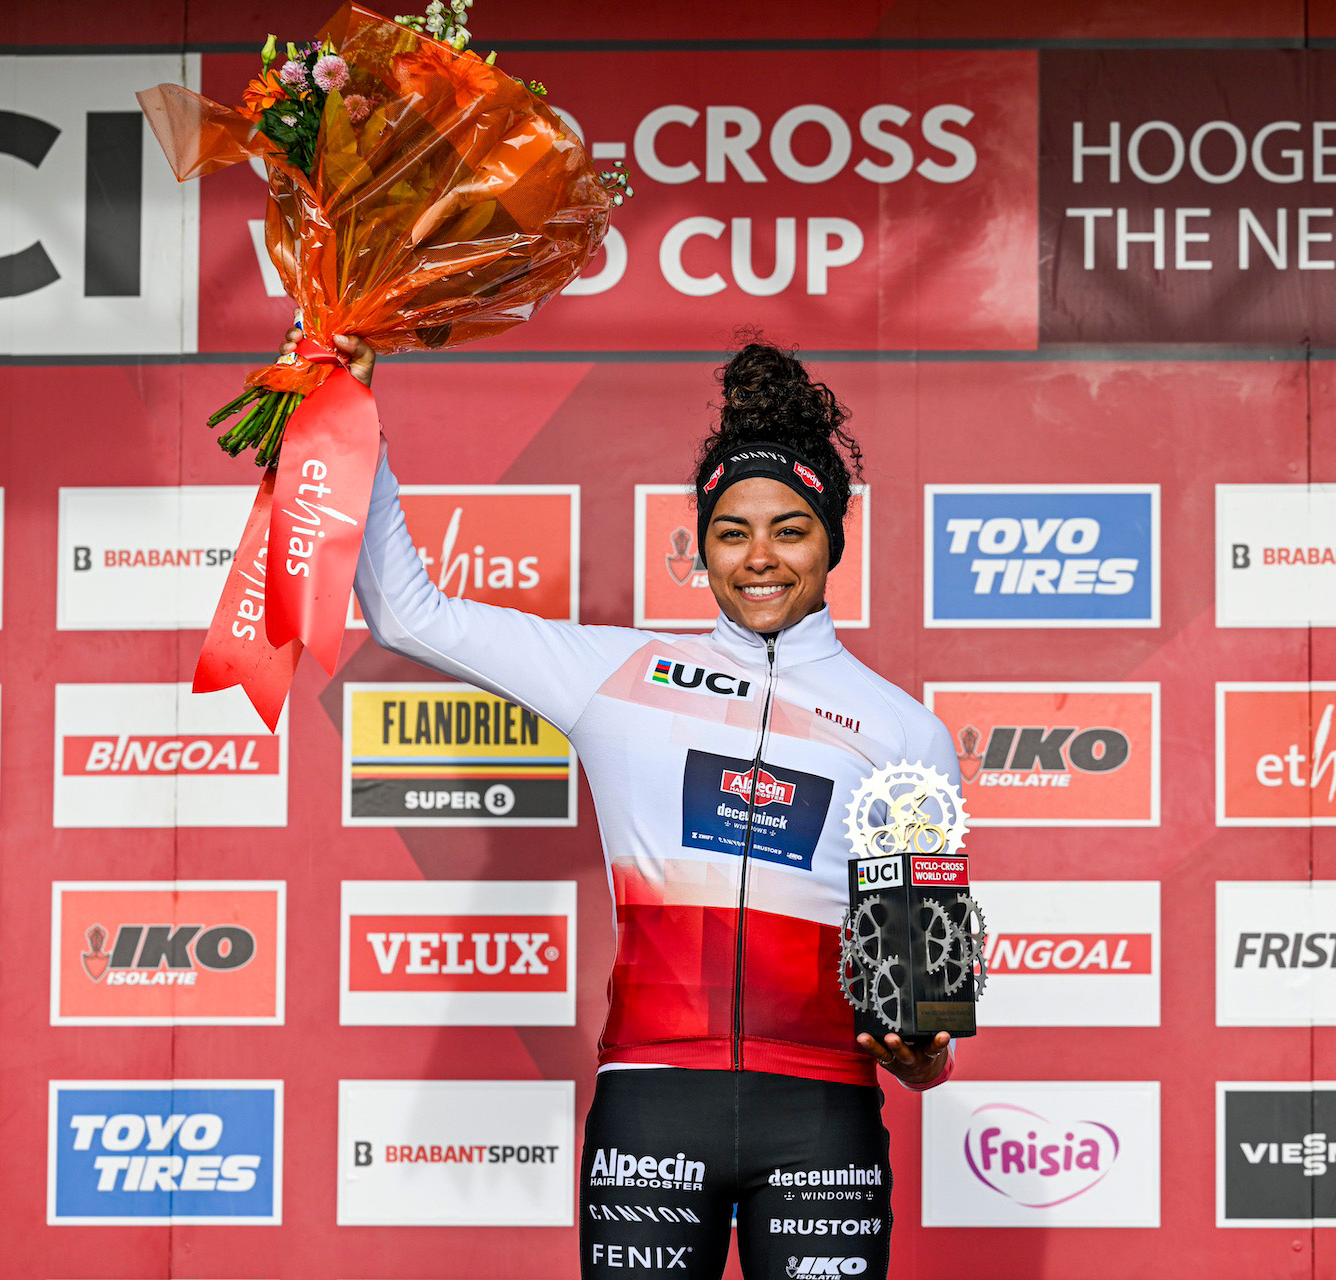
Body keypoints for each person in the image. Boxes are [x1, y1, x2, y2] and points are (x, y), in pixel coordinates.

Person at [302, 326, 960, 1279]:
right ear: (700, 548)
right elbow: (410, 613)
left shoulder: (904, 735)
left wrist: (922, 1057)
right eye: (732, 532)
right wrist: (350, 415)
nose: (760, 558)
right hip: (654, 1103)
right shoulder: (620, 673)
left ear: (833, 542)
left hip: (823, 1117)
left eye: (790, 529)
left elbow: (918, 997)